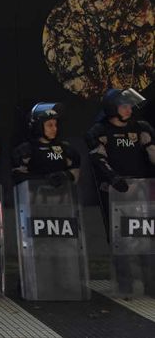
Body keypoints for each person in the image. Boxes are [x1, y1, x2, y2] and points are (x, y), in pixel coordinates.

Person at [85, 88, 154, 293]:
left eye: (130, 105)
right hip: (115, 191)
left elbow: (152, 153)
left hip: (140, 190)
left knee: (146, 235)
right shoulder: (100, 131)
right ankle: (125, 284)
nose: (128, 109)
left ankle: (151, 283)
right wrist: (113, 178)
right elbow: (98, 159)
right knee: (120, 238)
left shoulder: (140, 127)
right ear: (112, 108)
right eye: (124, 106)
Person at [12, 103, 81, 186]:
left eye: (55, 125)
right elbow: (18, 178)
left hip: (65, 196)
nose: (54, 129)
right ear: (38, 126)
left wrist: (64, 175)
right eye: (50, 125)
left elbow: (76, 173)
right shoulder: (26, 150)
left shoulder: (65, 148)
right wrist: (45, 179)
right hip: (35, 197)